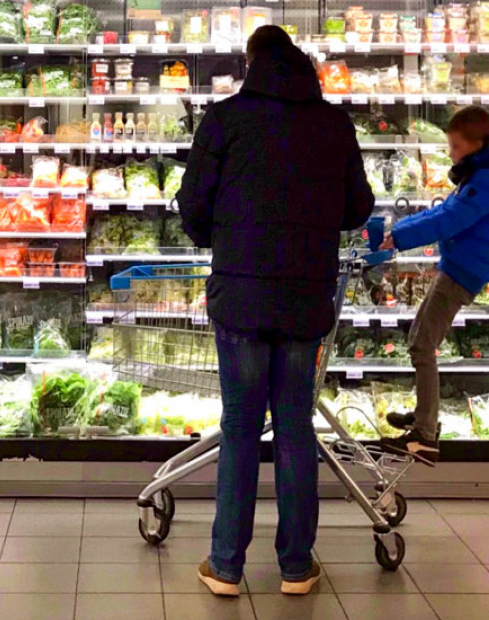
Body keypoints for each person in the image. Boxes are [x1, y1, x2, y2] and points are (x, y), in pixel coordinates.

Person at [176, 25, 375, 597]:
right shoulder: (333, 123)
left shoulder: (225, 118)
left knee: (239, 428)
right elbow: (356, 208)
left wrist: (221, 238)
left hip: (239, 297)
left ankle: (225, 566)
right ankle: (296, 565)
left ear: (251, 62)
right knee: (294, 430)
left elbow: (192, 204)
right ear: (304, 65)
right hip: (306, 298)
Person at [378, 106, 489, 465]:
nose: (452, 153)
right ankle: (425, 415)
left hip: (463, 271)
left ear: (478, 144)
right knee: (418, 339)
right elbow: (440, 211)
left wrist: (398, 238)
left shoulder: (484, 179)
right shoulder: (476, 174)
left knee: (422, 344)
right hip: (457, 266)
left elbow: (450, 219)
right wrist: (398, 231)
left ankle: (425, 434)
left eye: (456, 146)